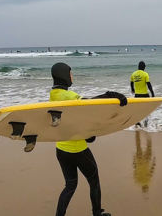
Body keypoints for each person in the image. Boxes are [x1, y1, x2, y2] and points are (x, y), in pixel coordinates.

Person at [50, 62, 127, 216]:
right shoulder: (69, 96)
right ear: (64, 75)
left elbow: (74, 118)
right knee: (94, 181)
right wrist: (111, 94)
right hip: (77, 149)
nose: (72, 76)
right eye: (70, 73)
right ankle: (97, 213)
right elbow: (90, 105)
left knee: (70, 185)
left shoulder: (53, 96)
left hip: (61, 150)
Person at [130, 61, 155, 127]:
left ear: (138, 67)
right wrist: (152, 93)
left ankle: (137, 122)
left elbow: (131, 82)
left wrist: (132, 89)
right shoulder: (145, 74)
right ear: (143, 67)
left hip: (137, 95)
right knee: (147, 109)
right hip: (145, 95)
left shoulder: (133, 74)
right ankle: (146, 121)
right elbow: (149, 85)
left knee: (137, 109)